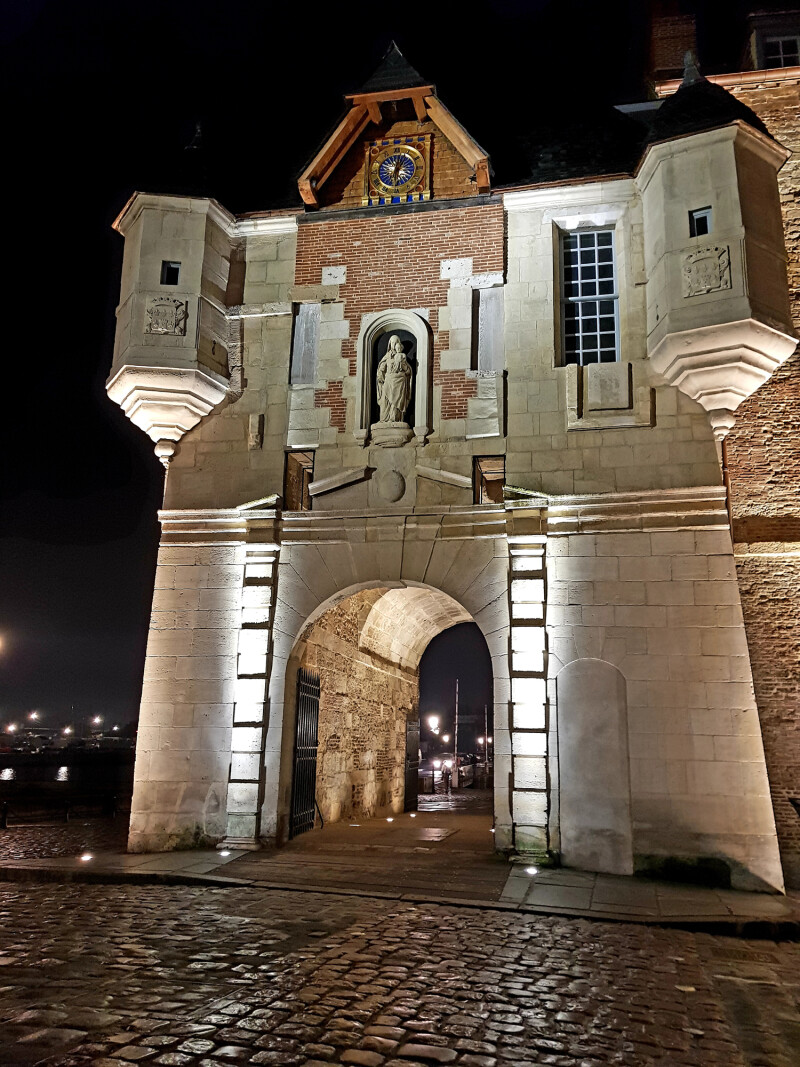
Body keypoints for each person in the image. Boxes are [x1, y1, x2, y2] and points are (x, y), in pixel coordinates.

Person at [376, 335, 412, 423]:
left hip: (399, 382)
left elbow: (408, 371)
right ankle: (384, 419)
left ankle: (395, 419)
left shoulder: (402, 356)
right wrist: (380, 375)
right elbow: (381, 368)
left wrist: (405, 368)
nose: (395, 345)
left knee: (397, 402)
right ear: (390, 344)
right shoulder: (387, 356)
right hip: (388, 380)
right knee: (385, 401)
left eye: (396, 342)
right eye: (393, 343)